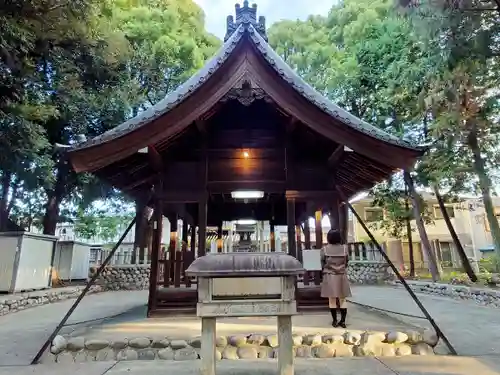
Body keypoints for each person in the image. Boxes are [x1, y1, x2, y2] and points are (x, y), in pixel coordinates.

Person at [320, 229, 351, 328]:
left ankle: (334, 321)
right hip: (342, 275)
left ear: (328, 238)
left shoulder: (324, 249)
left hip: (329, 276)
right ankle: (343, 321)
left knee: (332, 300)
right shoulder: (344, 249)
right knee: (342, 299)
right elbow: (346, 262)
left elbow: (322, 262)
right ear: (339, 237)